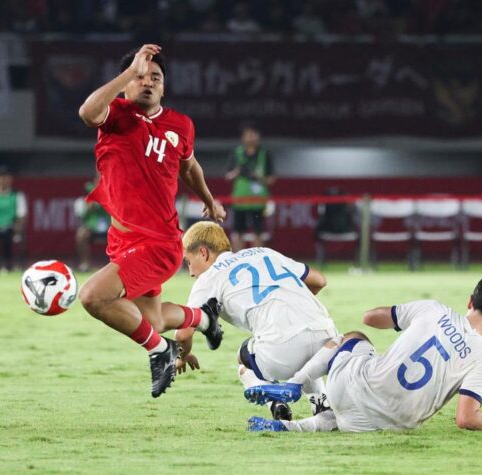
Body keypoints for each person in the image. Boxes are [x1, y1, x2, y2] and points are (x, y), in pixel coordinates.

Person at [77, 44, 226, 398]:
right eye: (140, 76)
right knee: (153, 320)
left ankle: (160, 350)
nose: (147, 82)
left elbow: (189, 167)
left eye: (154, 78)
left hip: (158, 243)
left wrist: (209, 200)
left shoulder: (180, 125)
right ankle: (204, 318)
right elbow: (86, 112)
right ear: (127, 83)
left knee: (92, 297)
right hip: (123, 240)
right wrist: (130, 71)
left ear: (164, 87)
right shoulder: (114, 115)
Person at [244, 274, 482, 432]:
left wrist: (405, 321)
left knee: (354, 337)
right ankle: (295, 428)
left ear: (470, 300)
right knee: (354, 417)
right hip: (386, 426)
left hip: (347, 386)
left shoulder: (434, 310)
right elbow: (467, 418)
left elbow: (369, 318)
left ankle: (295, 385)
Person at [174, 221, 337, 420]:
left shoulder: (208, 278)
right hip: (329, 340)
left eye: (188, 262)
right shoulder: (264, 252)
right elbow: (319, 281)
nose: (190, 272)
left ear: (203, 253)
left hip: (283, 349)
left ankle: (275, 401)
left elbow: (182, 334)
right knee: (304, 342)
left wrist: (183, 355)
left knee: (243, 358)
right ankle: (321, 404)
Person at [225, 123, 275, 251]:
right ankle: (238, 261)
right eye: (248, 134)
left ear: (258, 136)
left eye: (253, 134)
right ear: (243, 137)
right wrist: (237, 171)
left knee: (258, 232)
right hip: (240, 201)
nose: (251, 137)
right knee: (238, 232)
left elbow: (271, 179)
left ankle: (257, 262)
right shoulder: (236, 153)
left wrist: (258, 176)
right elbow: (228, 176)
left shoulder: (265, 154)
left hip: (258, 202)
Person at [74, 173, 110, 272]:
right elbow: (83, 215)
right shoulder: (84, 200)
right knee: (81, 235)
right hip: (92, 228)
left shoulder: (110, 192)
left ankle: (116, 264)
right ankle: (85, 264)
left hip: (109, 227)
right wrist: (94, 200)